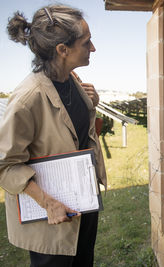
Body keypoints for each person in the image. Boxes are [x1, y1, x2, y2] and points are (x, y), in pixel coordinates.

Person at [0, 4, 107, 266]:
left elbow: (75, 131)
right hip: (52, 215)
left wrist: (91, 103)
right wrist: (48, 203)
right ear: (62, 50)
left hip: (83, 203)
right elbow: (5, 165)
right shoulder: (27, 98)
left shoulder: (72, 80)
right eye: (86, 42)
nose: (93, 48)